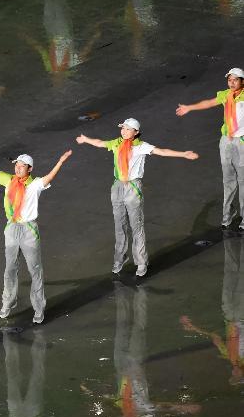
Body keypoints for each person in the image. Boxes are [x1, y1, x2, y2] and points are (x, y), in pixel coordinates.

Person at [0, 134, 72, 323]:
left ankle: (38, 309)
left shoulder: (35, 184)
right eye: (16, 165)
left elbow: (50, 177)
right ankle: (7, 304)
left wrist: (60, 162)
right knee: (10, 269)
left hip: (29, 230)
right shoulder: (8, 180)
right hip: (11, 228)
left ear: (30, 169)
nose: (17, 168)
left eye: (22, 166)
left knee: (35, 270)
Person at [76, 118, 199, 277]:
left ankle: (141, 262)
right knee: (119, 225)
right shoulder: (116, 143)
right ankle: (120, 258)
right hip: (117, 186)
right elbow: (100, 143)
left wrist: (183, 154)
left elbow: (162, 151)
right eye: (123, 128)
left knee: (136, 226)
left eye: (128, 129)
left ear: (136, 132)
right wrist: (86, 139)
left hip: (133, 188)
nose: (124, 131)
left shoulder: (141, 147)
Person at [177, 68, 244, 230]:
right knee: (228, 180)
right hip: (226, 141)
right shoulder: (225, 95)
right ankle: (227, 215)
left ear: (242, 81)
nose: (232, 83)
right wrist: (190, 107)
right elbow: (208, 102)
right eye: (229, 80)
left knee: (243, 181)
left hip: (242, 142)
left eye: (235, 80)